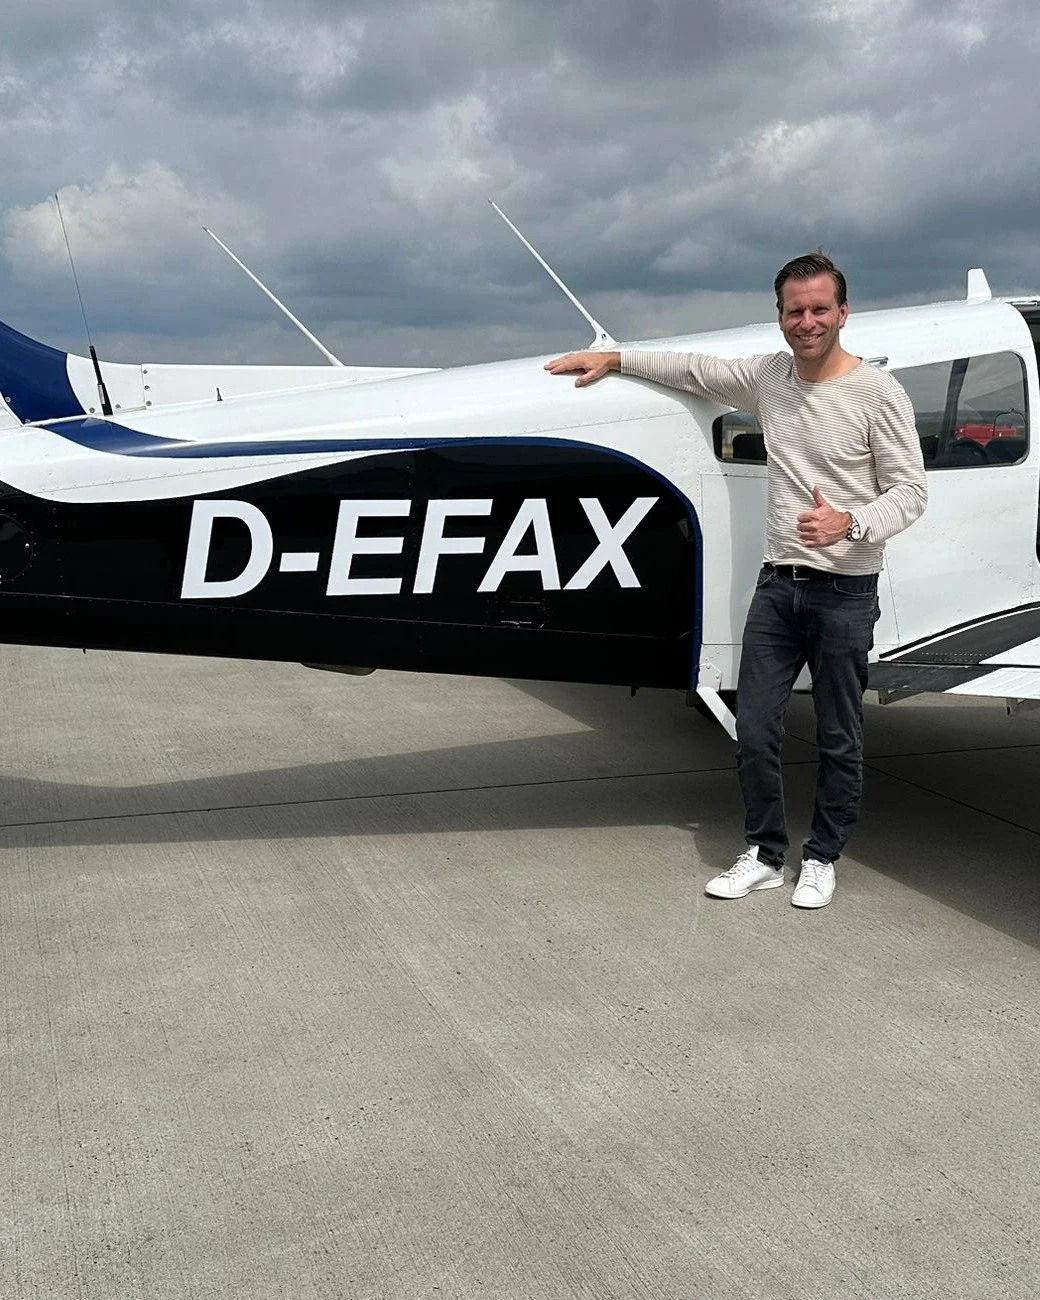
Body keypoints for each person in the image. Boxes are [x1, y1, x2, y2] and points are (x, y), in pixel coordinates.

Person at [545, 252, 927, 909]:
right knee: (754, 727)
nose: (806, 322)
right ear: (780, 317)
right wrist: (615, 359)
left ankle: (823, 856)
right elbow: (696, 370)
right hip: (778, 587)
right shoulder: (770, 378)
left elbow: (911, 493)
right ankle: (767, 853)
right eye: (793, 310)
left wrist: (851, 524)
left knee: (839, 733)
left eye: (818, 309)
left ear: (843, 313)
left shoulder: (878, 393)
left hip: (845, 592)